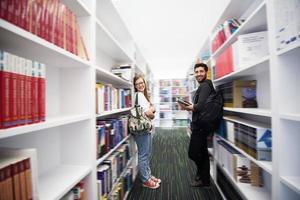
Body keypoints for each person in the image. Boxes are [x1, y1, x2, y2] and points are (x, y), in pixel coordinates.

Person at [178, 63, 213, 187]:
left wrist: (187, 107)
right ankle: (205, 179)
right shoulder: (204, 86)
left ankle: (202, 174)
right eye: (196, 72)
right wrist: (188, 107)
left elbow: (199, 106)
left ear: (206, 72)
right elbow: (200, 106)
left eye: (201, 71)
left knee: (193, 153)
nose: (198, 74)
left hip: (201, 127)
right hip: (202, 125)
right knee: (202, 153)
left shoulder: (205, 85)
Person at [132, 75, 161, 189]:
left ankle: (148, 175)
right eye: (138, 83)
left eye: (142, 82)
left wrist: (151, 109)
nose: (141, 85)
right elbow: (149, 114)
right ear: (135, 86)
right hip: (142, 130)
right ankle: (145, 180)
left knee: (147, 153)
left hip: (144, 129)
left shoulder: (142, 95)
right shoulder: (139, 95)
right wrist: (153, 109)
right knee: (144, 155)